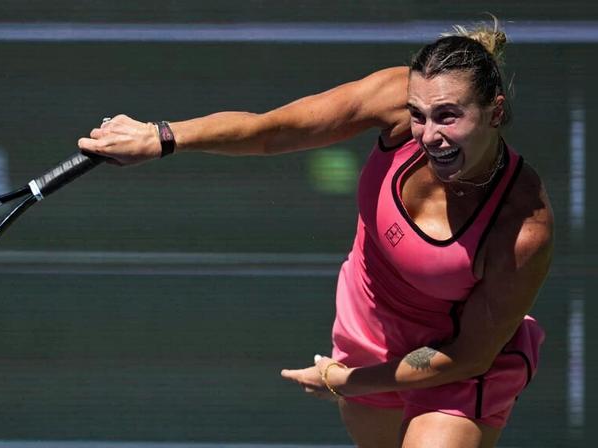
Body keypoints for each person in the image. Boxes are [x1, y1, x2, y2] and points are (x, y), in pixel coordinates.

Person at [77, 20, 552, 448]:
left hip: (455, 365)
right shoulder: (395, 101)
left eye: (449, 116)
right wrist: (162, 137)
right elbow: (273, 130)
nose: (429, 134)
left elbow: (468, 355)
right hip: (369, 335)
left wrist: (348, 383)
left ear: (494, 112)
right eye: (419, 115)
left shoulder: (522, 227)